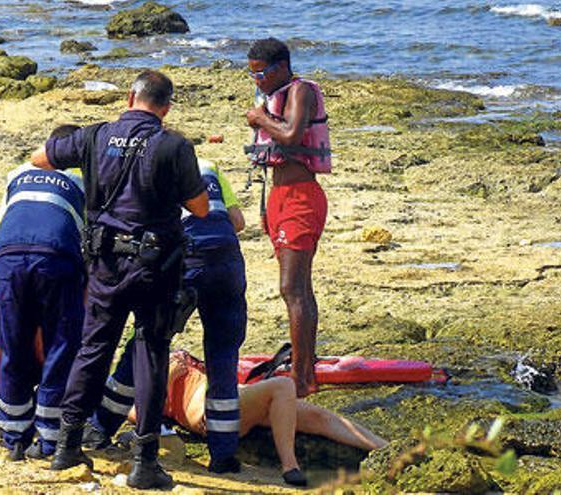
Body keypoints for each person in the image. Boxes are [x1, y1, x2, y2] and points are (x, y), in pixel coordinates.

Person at [29, 69, 209, 489]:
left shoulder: (95, 136)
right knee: (150, 353)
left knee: (93, 348)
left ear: (131, 97)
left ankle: (67, 444)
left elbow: (40, 157)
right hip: (154, 266)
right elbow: (200, 208)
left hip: (105, 263)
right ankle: (144, 461)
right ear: (165, 107)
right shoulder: (174, 145)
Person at [87, 158, 247, 474]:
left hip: (186, 259)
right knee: (224, 357)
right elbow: (237, 221)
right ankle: (224, 454)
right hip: (227, 262)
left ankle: (100, 427)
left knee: (146, 344)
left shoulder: (149, 168)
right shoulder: (210, 166)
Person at [135, 350, 386, 487]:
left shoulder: (159, 355)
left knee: (317, 415)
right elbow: (138, 411)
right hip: (208, 412)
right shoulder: (150, 368)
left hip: (234, 401)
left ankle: (388, 449)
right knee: (283, 387)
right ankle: (291, 467)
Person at [0, 125, 86, 461]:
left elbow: (4, 221)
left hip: (10, 258)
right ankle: (49, 439)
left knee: (13, 344)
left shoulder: (18, 174)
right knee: (61, 344)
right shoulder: (83, 180)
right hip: (56, 259)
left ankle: (13, 436)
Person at [244, 38, 331, 398]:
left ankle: (300, 378)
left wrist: (261, 118)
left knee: (292, 288)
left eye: (261, 73)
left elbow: (293, 134)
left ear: (281, 67)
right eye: (251, 74)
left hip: (301, 199)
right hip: (278, 197)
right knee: (297, 289)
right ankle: (304, 369)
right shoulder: (271, 93)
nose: (257, 81)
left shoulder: (301, 91)